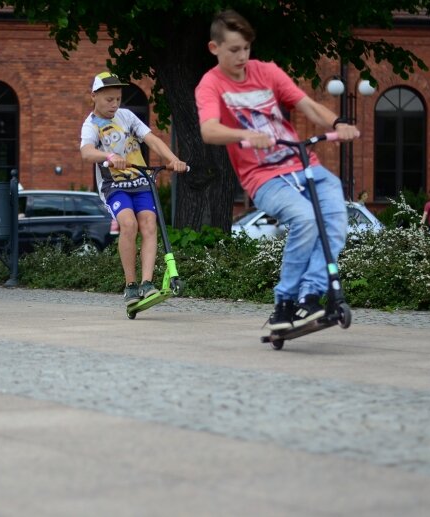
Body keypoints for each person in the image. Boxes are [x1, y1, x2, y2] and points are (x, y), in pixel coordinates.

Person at [195, 10, 360, 331]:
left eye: (246, 48)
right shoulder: (210, 85)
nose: (242, 56)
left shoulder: (266, 72)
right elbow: (209, 131)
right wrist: (245, 135)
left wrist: (339, 123)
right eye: (233, 50)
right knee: (305, 219)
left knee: (336, 219)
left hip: (303, 164)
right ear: (214, 48)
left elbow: (306, 105)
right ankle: (284, 302)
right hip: (263, 177)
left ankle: (309, 297)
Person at [80, 72, 188, 306]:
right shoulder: (91, 126)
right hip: (114, 186)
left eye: (117, 99)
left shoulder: (126, 116)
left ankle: (147, 283)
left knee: (149, 224)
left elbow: (152, 140)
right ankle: (131, 285)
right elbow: (86, 151)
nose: (114, 104)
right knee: (129, 224)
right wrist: (108, 155)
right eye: (109, 99)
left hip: (140, 181)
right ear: (94, 97)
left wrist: (174, 159)